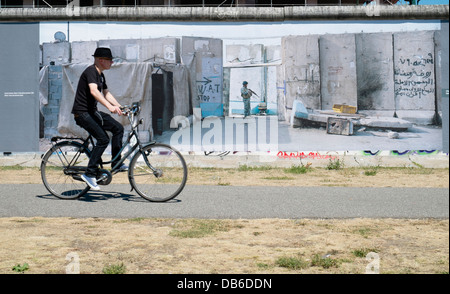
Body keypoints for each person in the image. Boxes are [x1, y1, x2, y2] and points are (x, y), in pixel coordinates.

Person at [71, 47, 126, 191]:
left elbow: (106, 93)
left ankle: (117, 164)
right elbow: (94, 91)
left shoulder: (100, 75)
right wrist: (109, 107)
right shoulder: (91, 71)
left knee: (118, 128)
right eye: (110, 60)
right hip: (82, 113)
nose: (112, 62)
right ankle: (89, 174)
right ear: (101, 60)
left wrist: (120, 107)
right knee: (103, 139)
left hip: (92, 112)